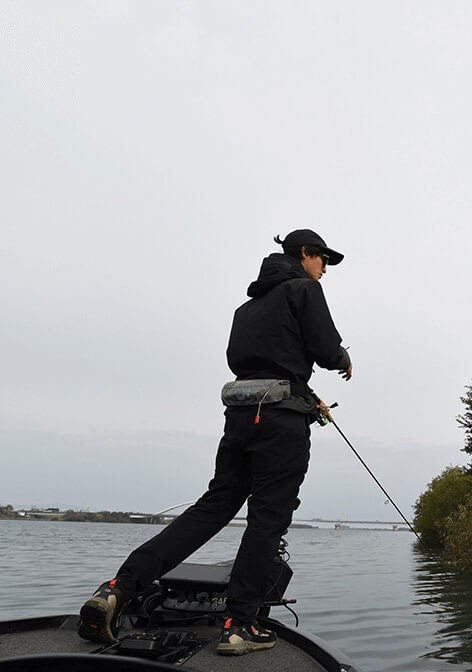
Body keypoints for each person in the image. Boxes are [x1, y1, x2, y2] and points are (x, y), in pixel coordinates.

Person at [77, 229, 353, 656]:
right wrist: (343, 358)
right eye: (323, 262)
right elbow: (324, 349)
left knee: (213, 508)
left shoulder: (247, 308)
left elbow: (259, 364)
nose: (324, 271)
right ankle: (240, 625)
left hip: (241, 420)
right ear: (305, 254)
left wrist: (307, 397)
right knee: (267, 519)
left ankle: (118, 587)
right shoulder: (304, 289)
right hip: (280, 426)